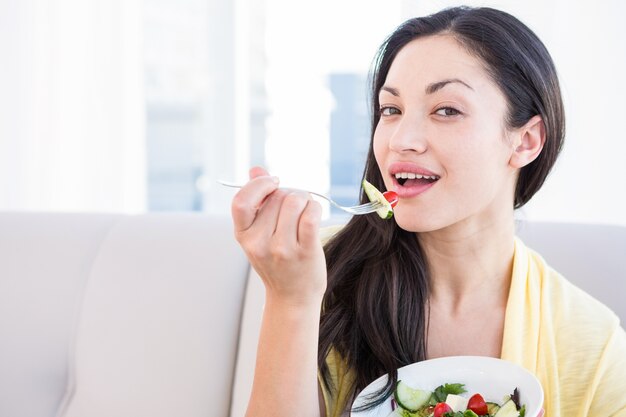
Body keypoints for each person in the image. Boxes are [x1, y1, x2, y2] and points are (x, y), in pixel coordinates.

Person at [229, 6, 626, 417]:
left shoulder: (593, 346)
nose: (402, 139)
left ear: (525, 141)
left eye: (446, 110)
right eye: (391, 110)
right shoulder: (311, 273)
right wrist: (291, 301)